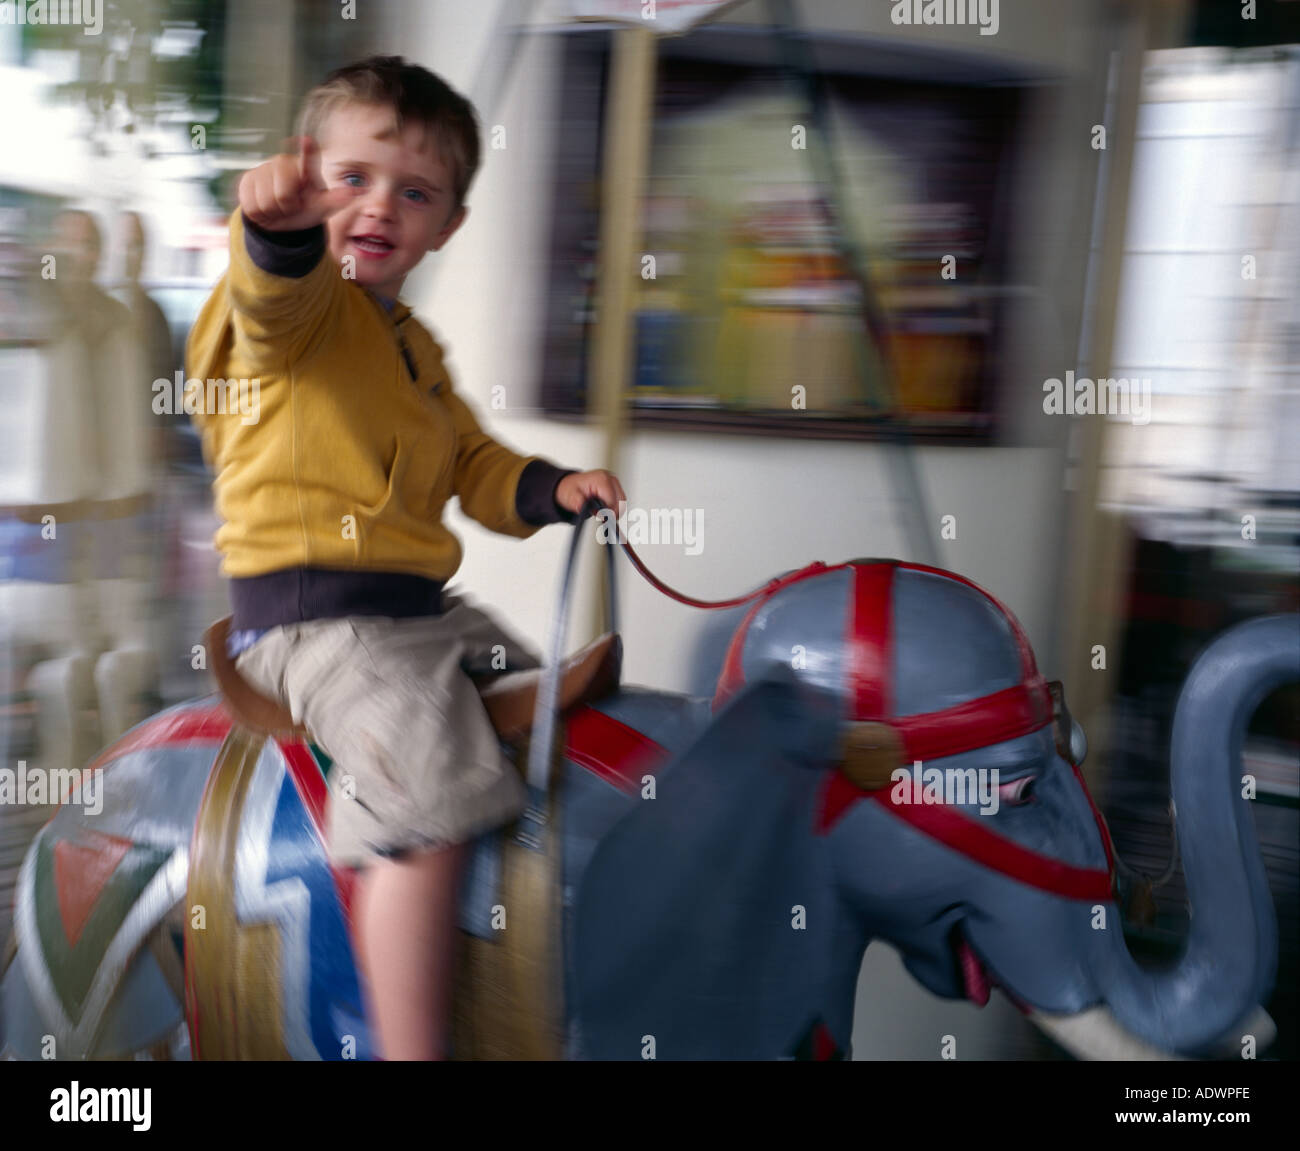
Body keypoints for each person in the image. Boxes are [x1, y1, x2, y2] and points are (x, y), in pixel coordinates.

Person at [184, 55, 627, 1060]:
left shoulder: (413, 343)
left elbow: (470, 457)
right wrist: (277, 231)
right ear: (306, 179)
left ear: (446, 225)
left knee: (548, 693)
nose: (379, 205)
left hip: (416, 611)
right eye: (351, 179)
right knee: (424, 785)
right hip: (309, 620)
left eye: (413, 191)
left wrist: (550, 488)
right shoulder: (296, 315)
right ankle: (409, 1044)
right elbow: (270, 302)